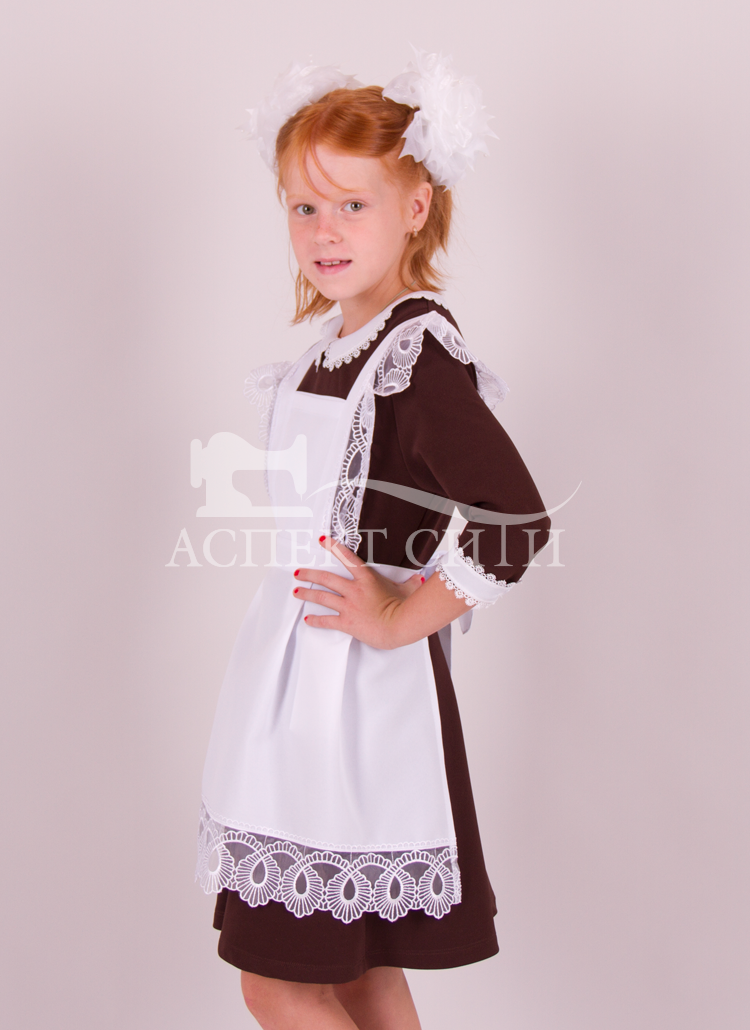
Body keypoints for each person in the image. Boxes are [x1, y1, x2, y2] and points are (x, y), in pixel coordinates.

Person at [196, 49, 552, 1030]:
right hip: (300, 689)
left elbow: (514, 521)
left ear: (415, 208)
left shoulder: (414, 356)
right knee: (359, 974)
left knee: (276, 983)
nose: (325, 230)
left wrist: (398, 620)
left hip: (355, 702)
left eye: (353, 204)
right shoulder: (334, 351)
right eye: (304, 207)